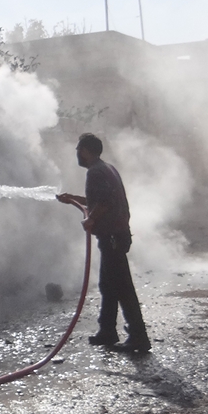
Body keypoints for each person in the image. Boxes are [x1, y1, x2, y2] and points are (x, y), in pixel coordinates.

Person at [57, 133, 151, 353]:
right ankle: (107, 331)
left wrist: (90, 218)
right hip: (116, 236)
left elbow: (105, 202)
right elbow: (97, 200)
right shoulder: (106, 168)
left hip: (112, 237)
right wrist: (72, 199)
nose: (77, 154)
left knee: (122, 287)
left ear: (86, 151)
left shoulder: (95, 172)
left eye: (78, 149)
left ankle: (139, 337)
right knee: (108, 286)